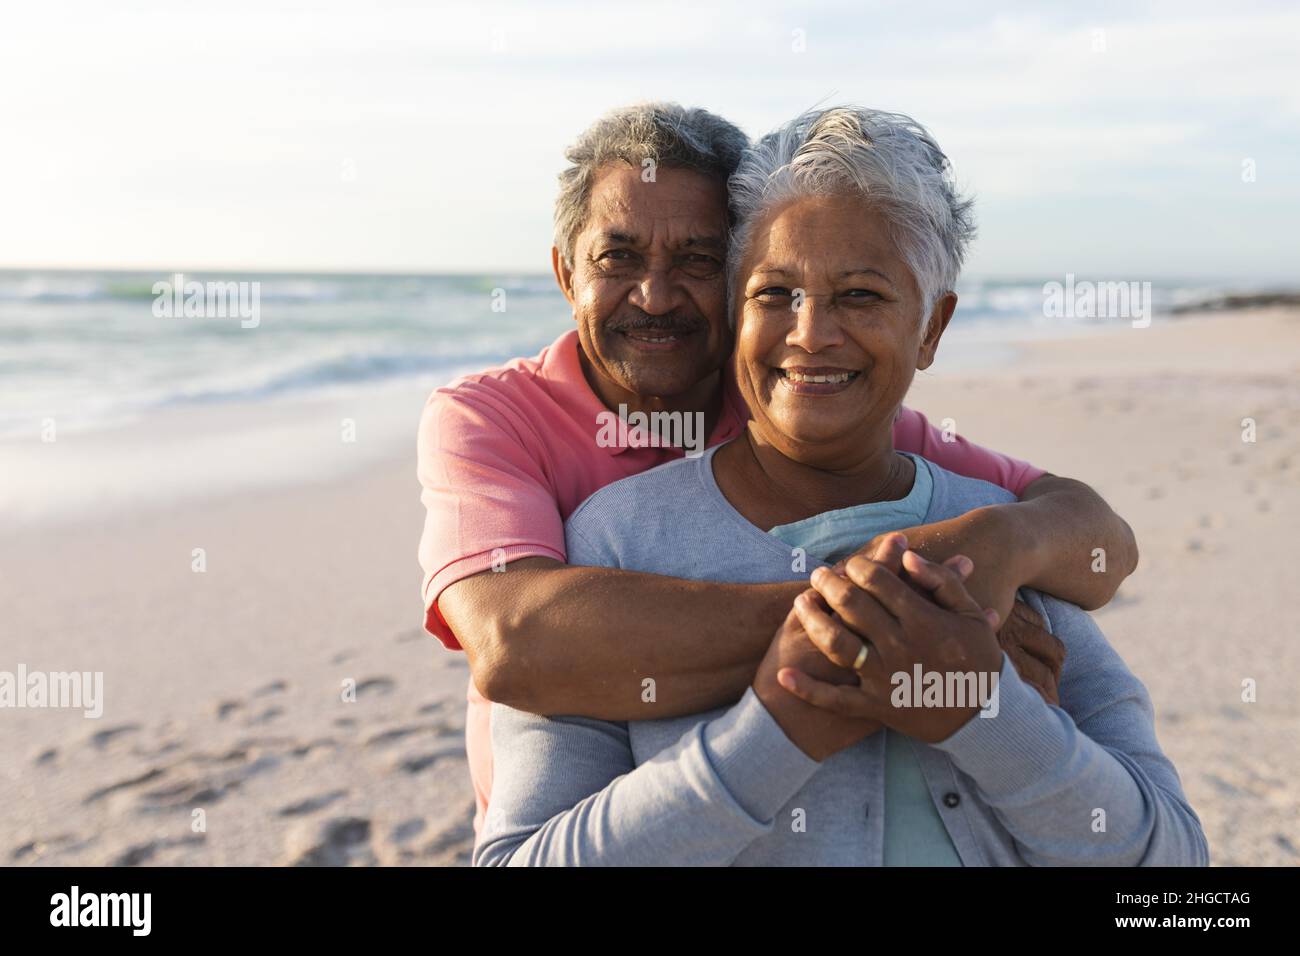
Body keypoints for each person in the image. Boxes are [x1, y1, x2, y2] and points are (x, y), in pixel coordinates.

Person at [472, 107, 1205, 866]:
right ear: (732, 310)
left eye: (860, 295)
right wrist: (782, 725)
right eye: (775, 292)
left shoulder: (999, 545)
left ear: (931, 328)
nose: (812, 332)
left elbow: (1173, 866)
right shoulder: (614, 543)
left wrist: (984, 713)